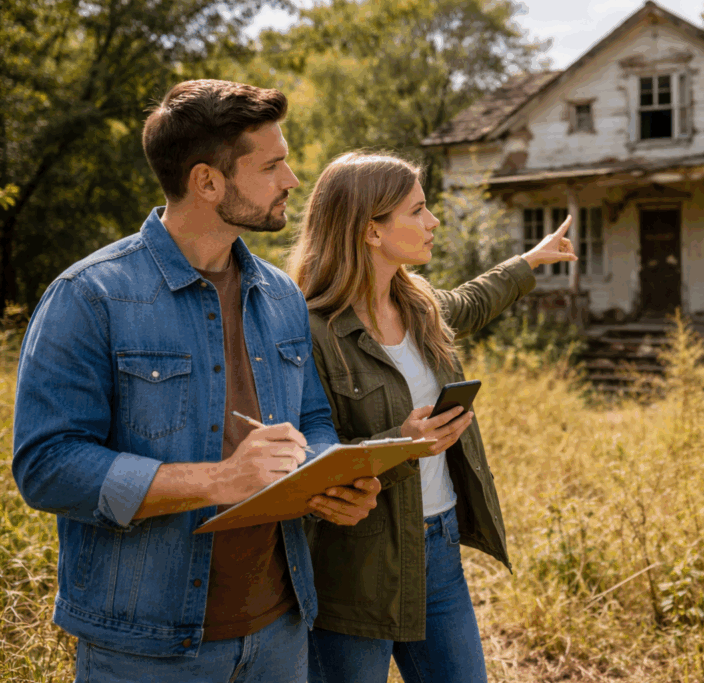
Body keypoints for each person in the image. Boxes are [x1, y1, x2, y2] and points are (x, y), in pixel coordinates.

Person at [11, 80, 380, 683]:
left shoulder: (281, 294)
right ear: (208, 182)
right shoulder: (89, 296)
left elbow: (312, 419)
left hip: (281, 633)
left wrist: (326, 478)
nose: (292, 179)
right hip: (145, 648)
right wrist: (222, 480)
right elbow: (48, 466)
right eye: (272, 164)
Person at [288, 152, 577, 683]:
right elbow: (309, 455)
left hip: (437, 547)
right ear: (371, 231)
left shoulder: (419, 303)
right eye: (417, 211)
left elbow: (470, 300)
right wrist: (402, 441)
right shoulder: (309, 331)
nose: (433, 221)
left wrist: (530, 262)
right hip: (355, 567)